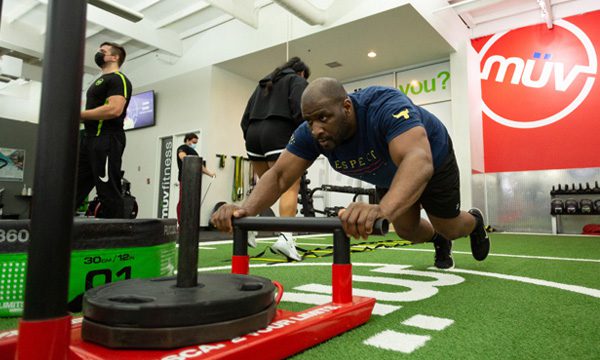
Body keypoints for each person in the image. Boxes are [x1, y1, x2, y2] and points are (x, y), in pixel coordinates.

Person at [212, 77, 490, 268]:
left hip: (433, 158)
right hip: (391, 175)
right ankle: (437, 240)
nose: (316, 128)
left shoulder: (384, 105)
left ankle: (474, 223)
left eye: (323, 117)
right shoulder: (311, 133)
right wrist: (245, 209)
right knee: (407, 231)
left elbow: (418, 160)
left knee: (450, 227)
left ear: (346, 107)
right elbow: (280, 175)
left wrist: (382, 209)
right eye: (309, 121)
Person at [240, 57, 310, 260]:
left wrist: (251, 136)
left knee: (267, 184)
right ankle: (286, 238)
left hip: (253, 135)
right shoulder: (297, 81)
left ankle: (248, 228)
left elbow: (244, 118)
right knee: (289, 185)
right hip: (278, 132)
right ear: (302, 73)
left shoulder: (263, 83)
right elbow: (301, 110)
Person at [76, 42, 132, 218]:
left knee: (107, 189)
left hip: (106, 139)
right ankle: (55, 232)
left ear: (114, 57)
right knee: (73, 188)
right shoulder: (98, 81)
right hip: (89, 139)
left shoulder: (118, 79)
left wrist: (80, 114)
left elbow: (114, 109)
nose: (99, 53)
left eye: (103, 51)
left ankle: (115, 238)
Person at [176, 133, 216, 225]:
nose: (195, 144)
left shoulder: (194, 153)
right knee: (183, 201)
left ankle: (189, 222)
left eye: (196, 142)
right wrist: (189, 161)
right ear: (187, 140)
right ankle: (181, 224)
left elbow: (200, 167)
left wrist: (210, 174)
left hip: (194, 180)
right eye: (194, 142)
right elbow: (182, 156)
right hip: (185, 178)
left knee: (191, 202)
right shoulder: (182, 147)